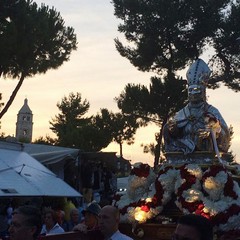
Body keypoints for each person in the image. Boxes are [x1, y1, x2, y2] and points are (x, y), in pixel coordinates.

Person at [164, 58, 230, 155]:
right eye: (190, 90)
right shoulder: (182, 113)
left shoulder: (212, 111)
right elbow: (174, 134)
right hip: (183, 155)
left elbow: (225, 135)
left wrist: (213, 131)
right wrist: (172, 129)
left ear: (203, 91)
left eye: (196, 90)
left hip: (207, 155)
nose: (193, 93)